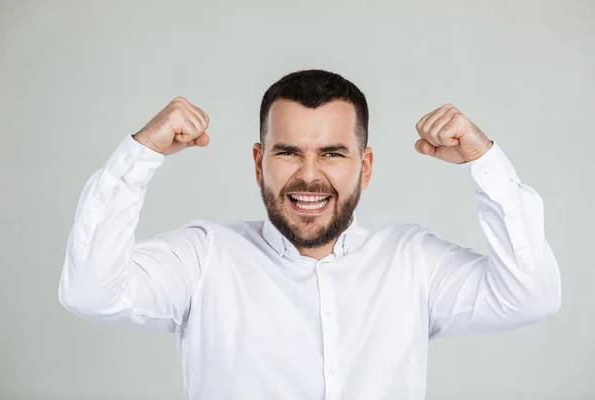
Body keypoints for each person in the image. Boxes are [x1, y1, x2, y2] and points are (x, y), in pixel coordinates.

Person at [58, 69, 561, 400]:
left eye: (332, 153)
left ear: (364, 168)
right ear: (260, 164)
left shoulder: (412, 263)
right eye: (288, 152)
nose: (309, 175)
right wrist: (140, 155)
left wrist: (485, 163)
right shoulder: (204, 259)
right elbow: (89, 291)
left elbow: (529, 295)